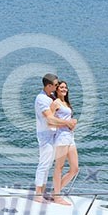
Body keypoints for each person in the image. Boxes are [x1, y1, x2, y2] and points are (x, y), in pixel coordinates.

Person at [34, 74, 77, 203]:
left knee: (51, 165)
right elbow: (50, 119)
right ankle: (38, 194)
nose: (58, 86)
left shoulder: (51, 97)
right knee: (45, 164)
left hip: (56, 134)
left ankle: (46, 192)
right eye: (56, 85)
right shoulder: (42, 99)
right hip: (46, 135)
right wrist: (68, 123)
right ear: (49, 86)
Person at [51, 80, 79, 205]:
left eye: (65, 87)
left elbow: (65, 118)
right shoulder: (56, 102)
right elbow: (50, 120)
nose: (64, 89)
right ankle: (57, 196)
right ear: (56, 89)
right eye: (61, 87)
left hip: (70, 137)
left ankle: (55, 192)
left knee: (74, 168)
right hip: (61, 137)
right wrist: (66, 123)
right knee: (59, 167)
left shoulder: (65, 103)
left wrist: (72, 123)